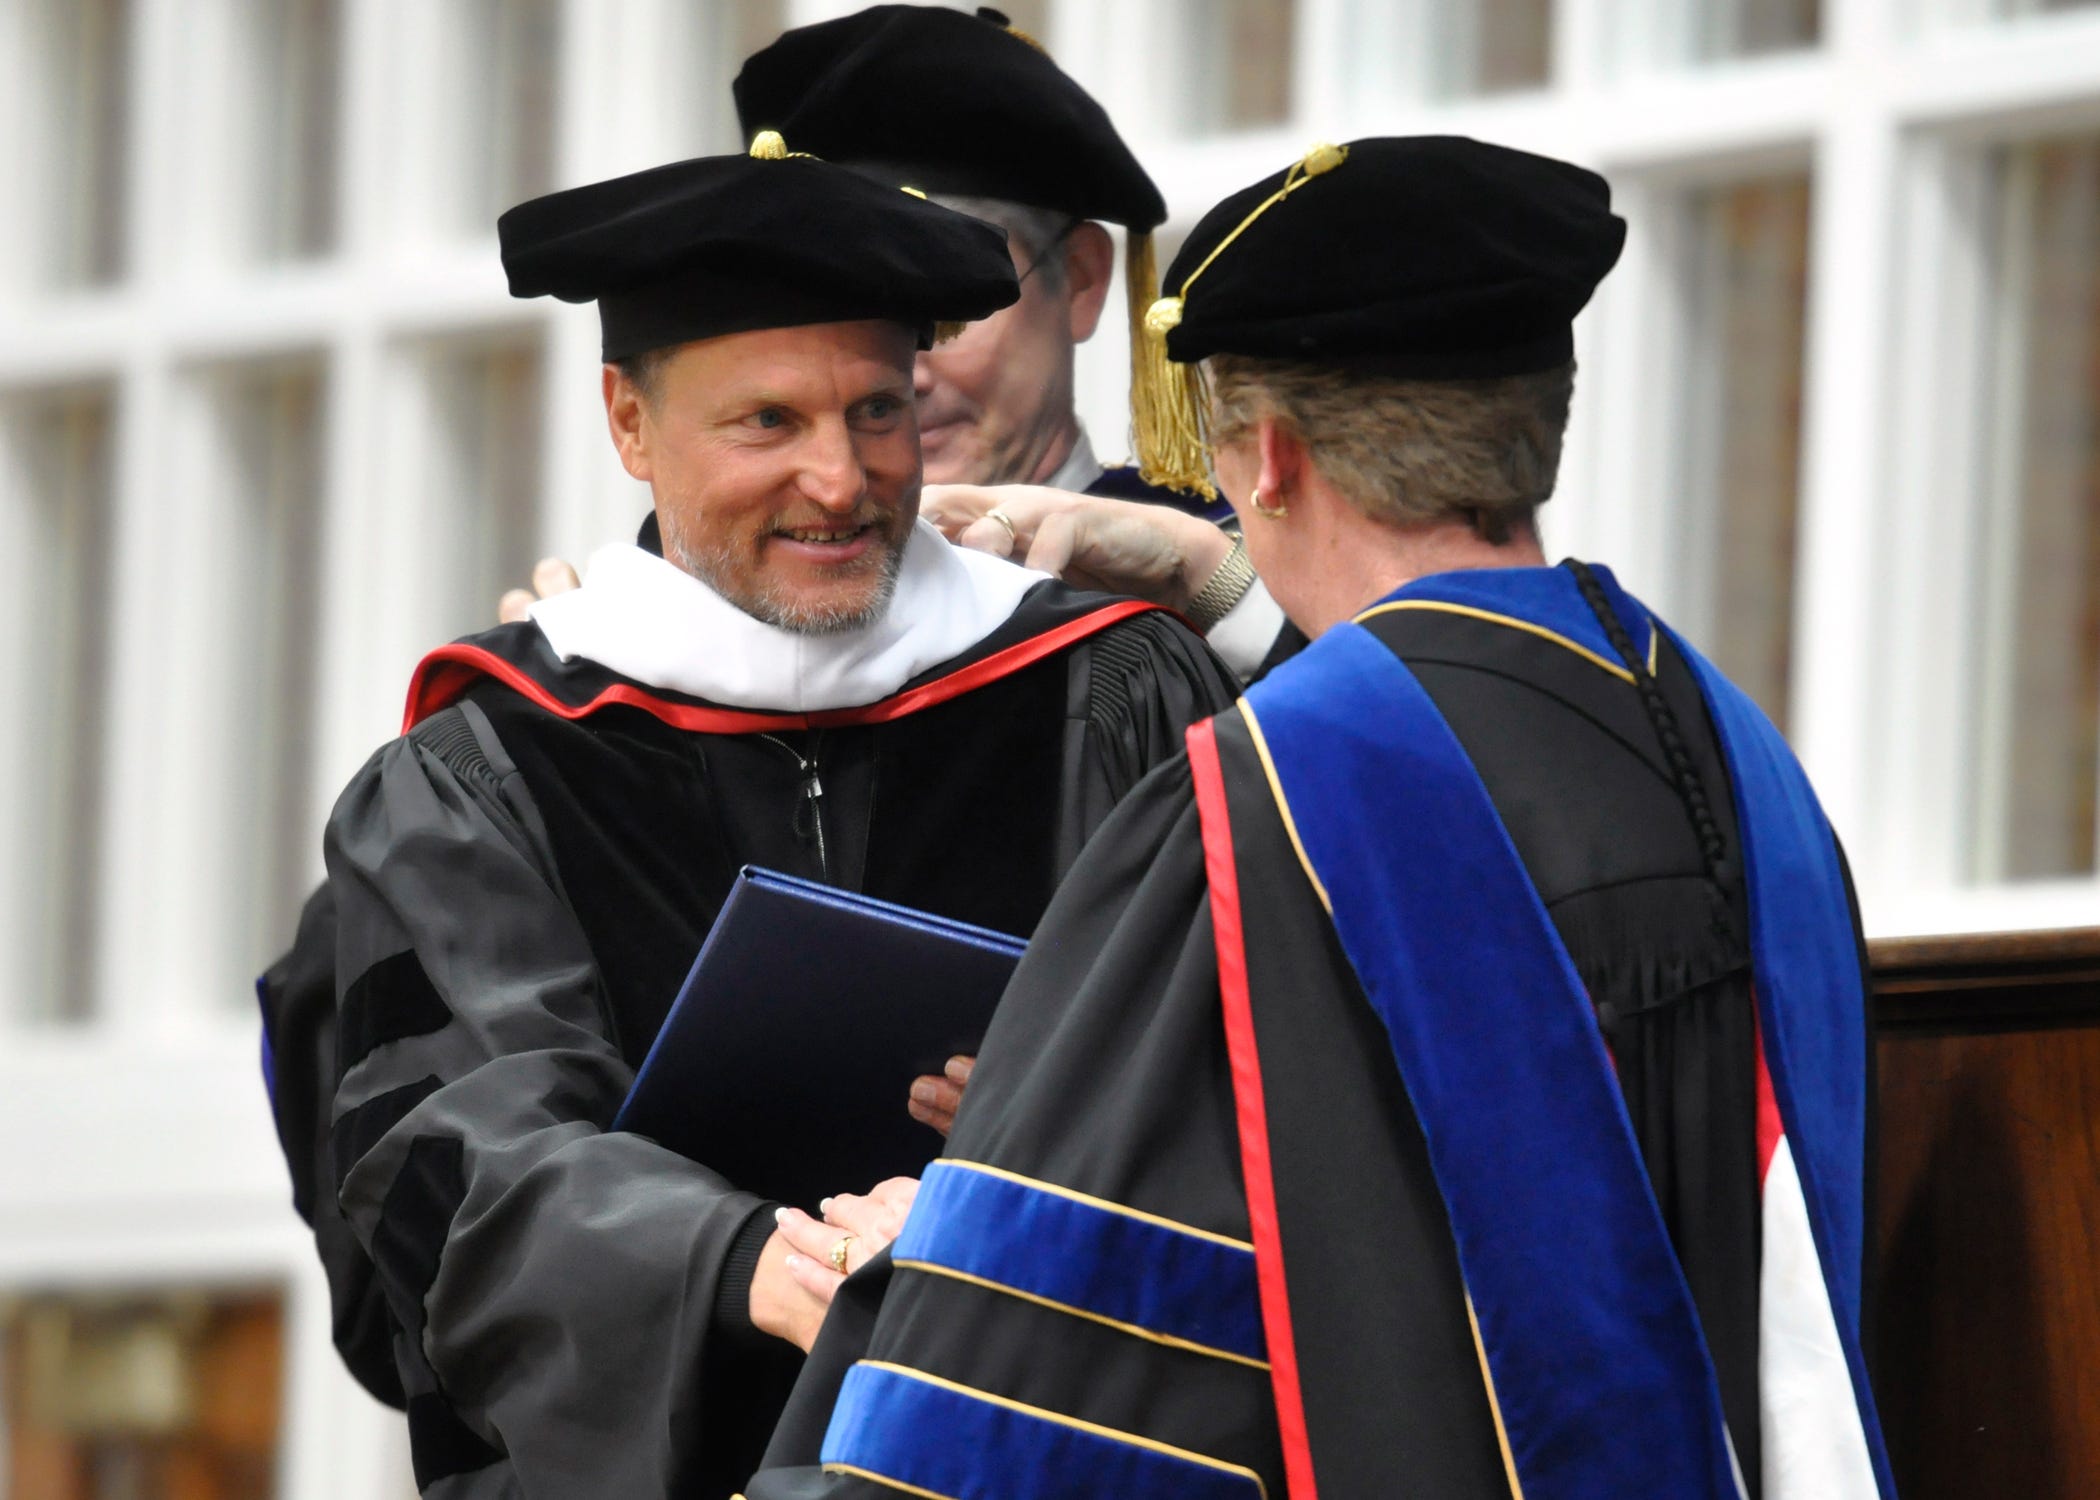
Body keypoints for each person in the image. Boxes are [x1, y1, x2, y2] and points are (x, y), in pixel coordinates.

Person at [745, 137, 1895, 1500]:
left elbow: (1081, 1351)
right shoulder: (1737, 759)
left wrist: (944, 1234)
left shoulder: (1263, 797)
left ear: (1272, 457)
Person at [270, 139, 1240, 1499]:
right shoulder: (486, 763)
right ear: (629, 424)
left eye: (877, 413)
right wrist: (739, 1263)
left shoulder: (1109, 686)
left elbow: (1265, 1085)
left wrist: (1045, 1118)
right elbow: (453, 1164)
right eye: (767, 423)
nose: (839, 484)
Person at [504, 5, 1291, 681]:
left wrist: (1223, 595)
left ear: (1081, 281)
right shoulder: (675, 610)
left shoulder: (1227, 569)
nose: (893, 372)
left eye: (955, 304)